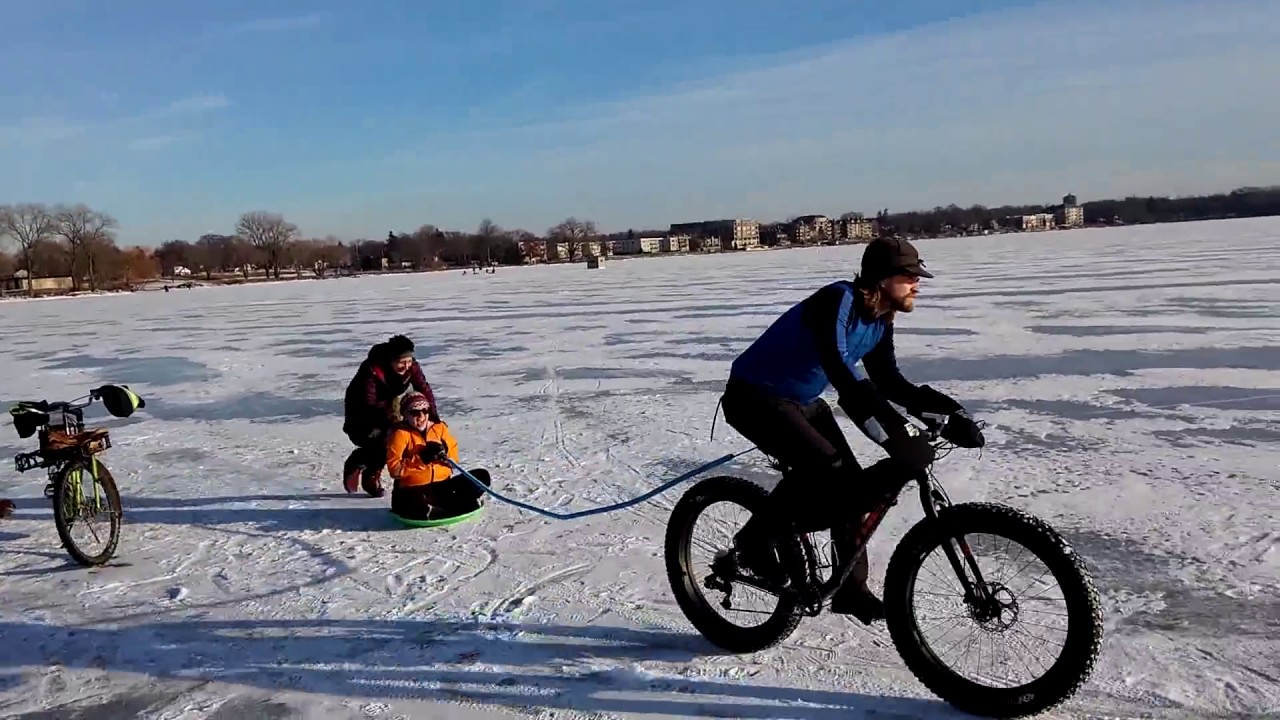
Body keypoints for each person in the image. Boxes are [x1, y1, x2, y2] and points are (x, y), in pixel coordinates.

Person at [719, 236, 985, 625]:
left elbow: (890, 382)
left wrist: (948, 411)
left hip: (803, 401)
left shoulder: (880, 321)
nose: (917, 284)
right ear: (881, 279)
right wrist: (895, 432)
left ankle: (850, 590)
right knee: (827, 472)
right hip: (755, 398)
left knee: (850, 488)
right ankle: (755, 542)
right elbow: (842, 372)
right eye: (909, 275)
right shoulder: (837, 301)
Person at [342, 334, 439, 497]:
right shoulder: (371, 370)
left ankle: (371, 476)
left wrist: (434, 416)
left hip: (389, 403)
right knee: (381, 440)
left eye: (409, 361)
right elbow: (368, 403)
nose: (407, 366)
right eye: (402, 362)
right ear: (390, 360)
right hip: (361, 408)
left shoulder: (412, 366)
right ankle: (361, 463)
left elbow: (424, 388)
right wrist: (391, 424)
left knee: (397, 440)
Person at [384, 393, 491, 521]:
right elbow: (395, 470)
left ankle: (441, 507)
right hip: (415, 488)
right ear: (405, 415)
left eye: (425, 411)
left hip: (442, 486)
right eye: (415, 412)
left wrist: (444, 452)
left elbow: (453, 461)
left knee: (481, 477)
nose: (421, 416)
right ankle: (447, 507)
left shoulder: (439, 429)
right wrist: (421, 459)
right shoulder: (400, 435)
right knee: (411, 501)